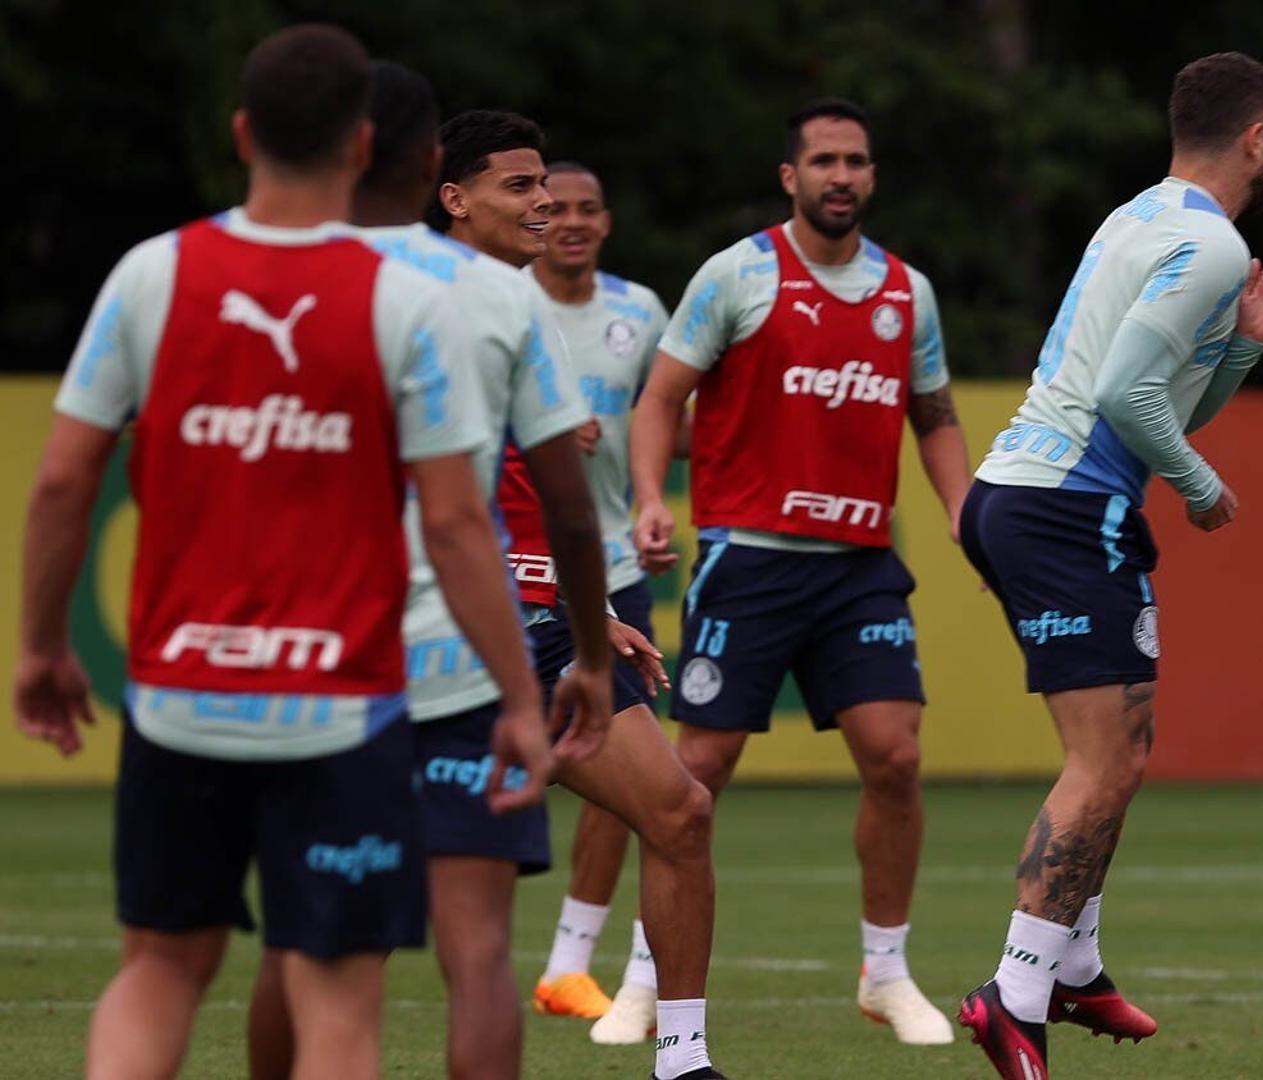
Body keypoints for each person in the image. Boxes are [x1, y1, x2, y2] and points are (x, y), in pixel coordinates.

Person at [12, 27, 549, 1080]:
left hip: (178, 698)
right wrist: (518, 697)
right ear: (363, 144)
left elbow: (63, 480)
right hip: (340, 707)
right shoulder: (412, 299)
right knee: (337, 995)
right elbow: (452, 522)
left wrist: (41, 646)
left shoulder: (152, 272)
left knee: (159, 968)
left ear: (242, 132)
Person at [245, 92, 721, 1080]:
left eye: (549, 183)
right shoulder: (445, 297)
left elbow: (519, 501)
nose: (547, 203)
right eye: (523, 187)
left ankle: (683, 1060)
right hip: (439, 641)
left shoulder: (507, 301)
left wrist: (585, 623)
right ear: (450, 195)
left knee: (676, 813)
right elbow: (475, 503)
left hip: (517, 623)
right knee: (389, 925)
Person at [956, 52, 1263, 1080]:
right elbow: (1124, 399)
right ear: (1256, 137)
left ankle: (1072, 965)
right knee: (1102, 761)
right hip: (1063, 506)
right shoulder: (1207, 243)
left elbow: (1162, 395)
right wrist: (1200, 488)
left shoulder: (1137, 218)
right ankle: (1014, 996)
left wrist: (1242, 345)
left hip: (1036, 497)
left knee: (1129, 745)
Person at [629, 97, 969, 1046]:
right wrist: (651, 498)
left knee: (896, 757)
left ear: (872, 175)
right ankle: (643, 972)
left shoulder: (909, 291)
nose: (841, 176)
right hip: (747, 557)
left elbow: (933, 416)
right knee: (696, 770)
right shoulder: (736, 275)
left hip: (860, 565)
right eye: (822, 160)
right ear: (792, 176)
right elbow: (660, 397)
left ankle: (887, 973)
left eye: (856, 161)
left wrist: (965, 513)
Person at [523, 161, 683, 1041]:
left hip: (609, 562)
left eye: (589, 208)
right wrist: (539, 430)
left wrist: (653, 488)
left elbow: (664, 414)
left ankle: (566, 965)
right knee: (511, 755)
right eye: (558, 210)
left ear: (607, 221)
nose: (572, 223)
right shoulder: (496, 298)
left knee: (620, 776)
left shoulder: (640, 311)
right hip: (511, 568)